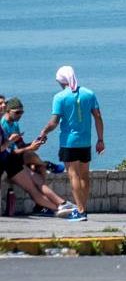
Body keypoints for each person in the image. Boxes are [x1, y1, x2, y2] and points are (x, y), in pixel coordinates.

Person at [37, 66, 103, 221]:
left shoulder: (60, 97)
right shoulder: (89, 93)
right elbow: (98, 117)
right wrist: (100, 139)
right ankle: (83, 208)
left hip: (68, 142)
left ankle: (80, 211)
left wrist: (44, 132)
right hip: (86, 141)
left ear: (62, 81)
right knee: (85, 175)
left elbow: (54, 122)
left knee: (73, 175)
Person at [1, 97, 76, 216]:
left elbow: (20, 145)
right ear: (8, 111)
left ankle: (61, 204)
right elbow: (9, 151)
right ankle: (57, 208)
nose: (20, 115)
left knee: (39, 178)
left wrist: (35, 143)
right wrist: (29, 148)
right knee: (33, 187)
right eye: (17, 112)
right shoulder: (3, 125)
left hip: (16, 160)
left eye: (22, 112)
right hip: (9, 162)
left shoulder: (14, 124)